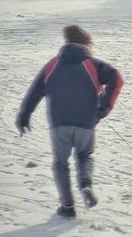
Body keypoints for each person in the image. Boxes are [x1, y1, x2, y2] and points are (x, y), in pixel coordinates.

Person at [16, 25, 124, 218]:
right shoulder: (93, 64)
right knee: (84, 156)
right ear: (86, 43)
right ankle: (85, 185)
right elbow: (117, 78)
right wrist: (103, 109)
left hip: (59, 123)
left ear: (66, 42)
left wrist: (24, 115)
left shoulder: (52, 65)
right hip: (86, 122)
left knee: (60, 163)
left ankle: (67, 207)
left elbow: (35, 91)